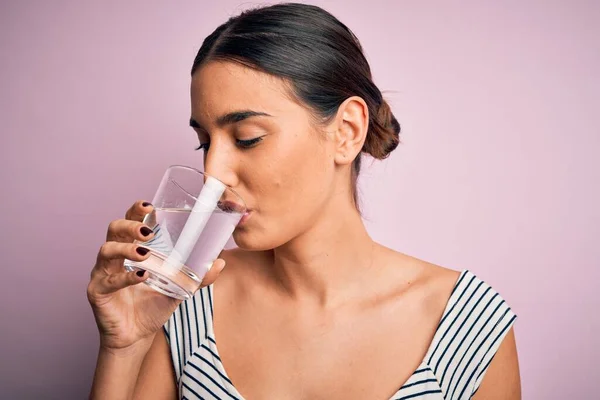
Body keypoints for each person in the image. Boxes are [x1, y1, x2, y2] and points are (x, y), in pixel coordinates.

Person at [88, 3, 520, 399]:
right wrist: (124, 347)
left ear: (347, 132)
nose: (212, 176)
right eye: (205, 143)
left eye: (247, 138)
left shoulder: (468, 327)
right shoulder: (188, 296)